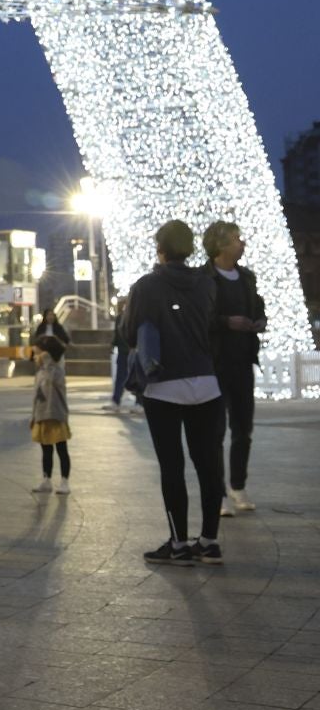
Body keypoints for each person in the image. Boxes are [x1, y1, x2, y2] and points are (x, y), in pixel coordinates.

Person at [126, 219, 223, 566]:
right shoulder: (205, 284)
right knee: (208, 463)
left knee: (172, 466)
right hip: (206, 383)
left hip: (164, 384)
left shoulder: (147, 286)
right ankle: (209, 541)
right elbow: (212, 324)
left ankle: (179, 543)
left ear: (161, 249)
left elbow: (128, 333)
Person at [203, 221, 267, 514]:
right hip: (215, 364)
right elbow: (201, 317)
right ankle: (219, 494)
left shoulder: (247, 278)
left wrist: (259, 321)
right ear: (220, 244)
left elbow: (258, 306)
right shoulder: (203, 279)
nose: (242, 243)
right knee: (214, 432)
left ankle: (237, 486)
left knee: (243, 428)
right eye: (237, 239)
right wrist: (227, 322)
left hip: (242, 361)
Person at [29, 334, 71, 493]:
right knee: (46, 450)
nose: (35, 357)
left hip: (56, 415)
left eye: (38, 353)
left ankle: (65, 481)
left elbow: (53, 379)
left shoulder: (57, 371)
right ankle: (46, 479)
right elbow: (36, 396)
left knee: (61, 449)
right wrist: (33, 416)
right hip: (42, 416)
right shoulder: (40, 373)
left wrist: (46, 361)